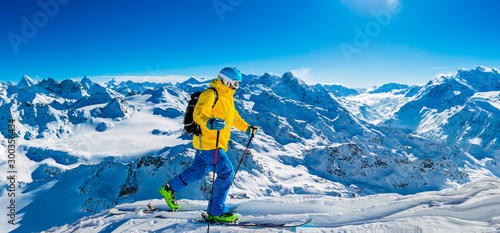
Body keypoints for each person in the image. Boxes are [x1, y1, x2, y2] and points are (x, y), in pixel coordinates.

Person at [159, 67, 258, 222]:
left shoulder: (227, 98)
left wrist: (247, 128)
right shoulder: (211, 94)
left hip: (210, 143)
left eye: (238, 84)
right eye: (235, 83)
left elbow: (234, 118)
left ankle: (169, 189)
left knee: (197, 172)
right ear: (226, 81)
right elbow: (199, 114)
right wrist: (210, 122)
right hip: (209, 143)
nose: (236, 87)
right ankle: (216, 212)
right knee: (226, 172)